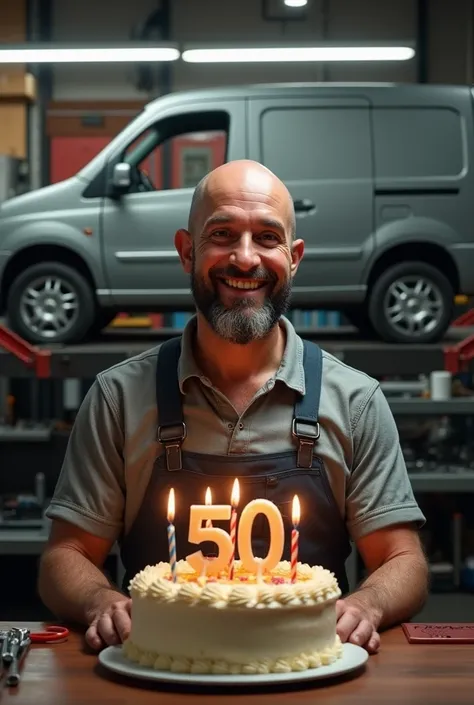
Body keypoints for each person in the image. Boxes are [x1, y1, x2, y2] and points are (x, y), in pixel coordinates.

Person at [38, 159, 428, 655]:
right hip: (158, 675)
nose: (245, 259)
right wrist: (98, 601)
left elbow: (404, 560)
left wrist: (368, 603)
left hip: (306, 679)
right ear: (186, 251)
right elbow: (64, 555)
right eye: (222, 234)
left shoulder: (355, 401)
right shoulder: (118, 399)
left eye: (268, 237)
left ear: (295, 256)